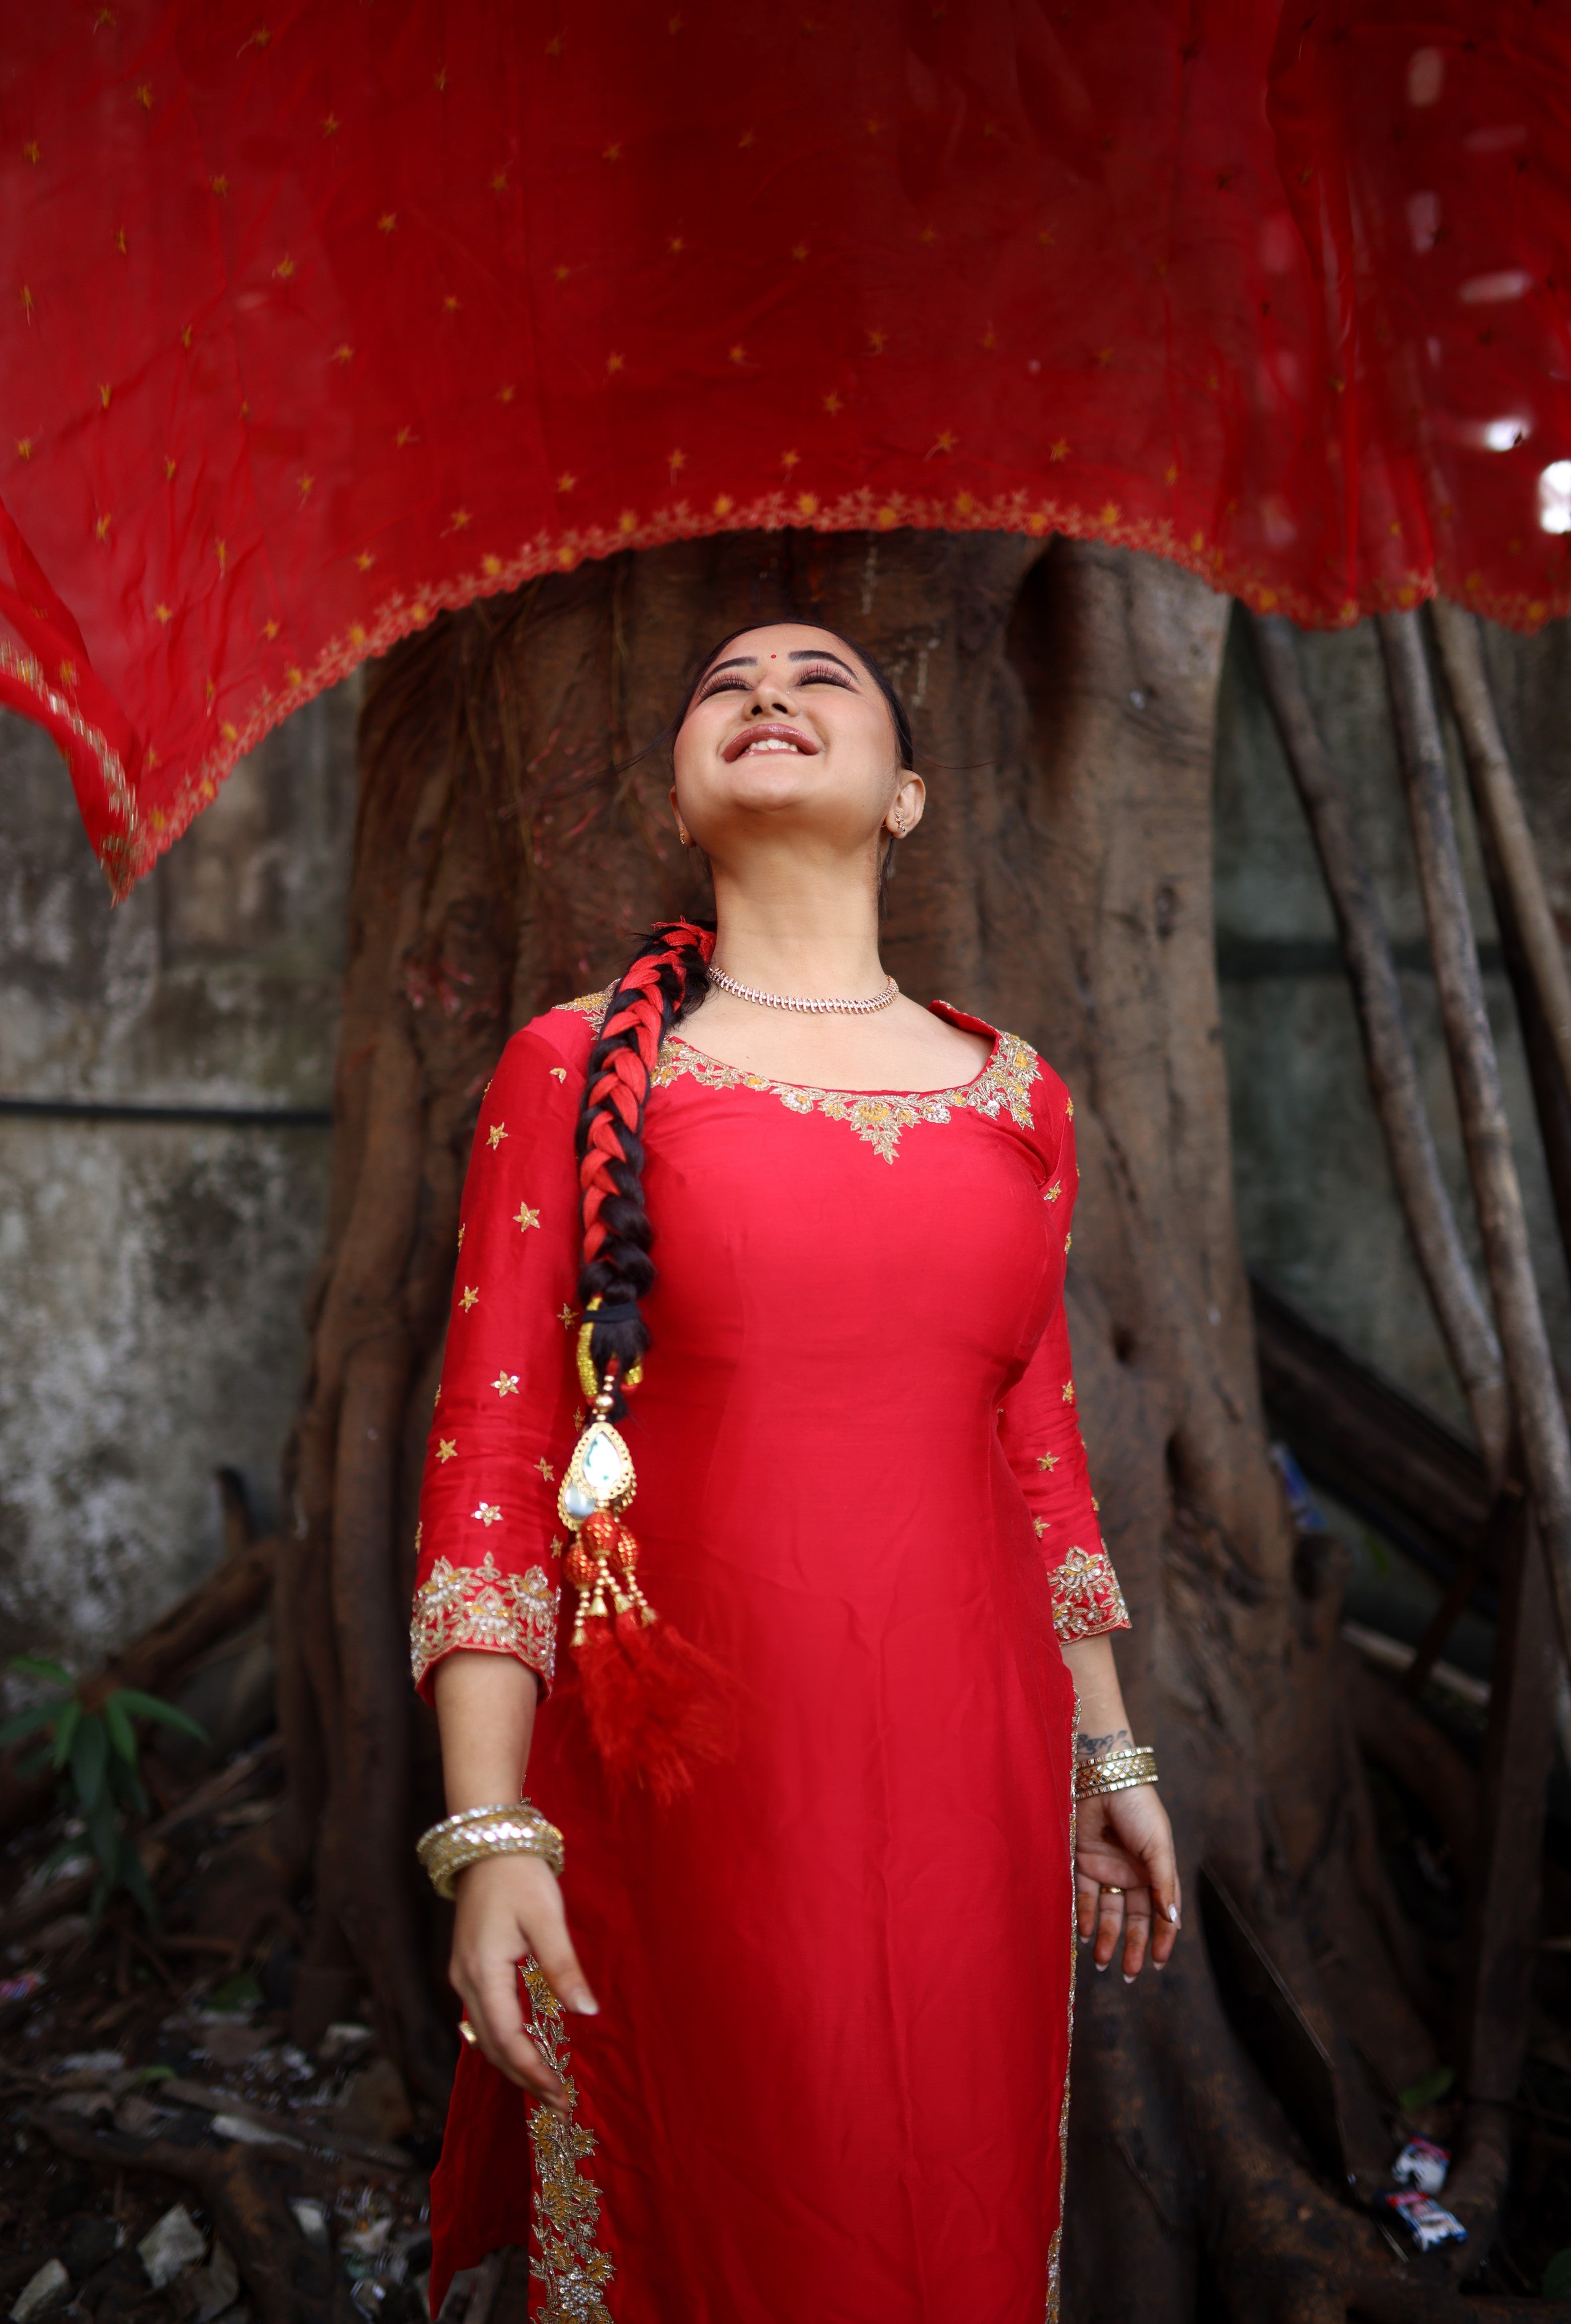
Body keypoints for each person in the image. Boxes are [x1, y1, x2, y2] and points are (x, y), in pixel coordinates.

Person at [410, 622, 1180, 2324]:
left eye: (822, 677)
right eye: (725, 685)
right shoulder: (576, 1066)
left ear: (907, 797)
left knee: (949, 2204)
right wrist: (490, 1830)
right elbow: (496, 1448)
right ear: (681, 799)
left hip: (977, 1770)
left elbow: (1038, 1450)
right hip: (688, 1774)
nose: (768, 693)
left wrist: (1108, 1752)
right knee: (730, 2206)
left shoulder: (1019, 1095)